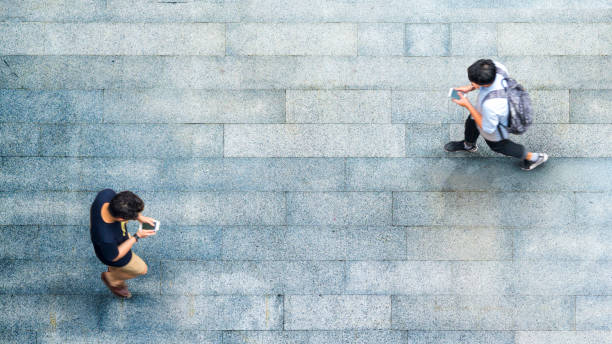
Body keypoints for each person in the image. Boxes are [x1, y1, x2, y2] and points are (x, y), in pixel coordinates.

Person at [445, 59, 548, 171]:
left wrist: (467, 105)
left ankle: (534, 158)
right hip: (484, 112)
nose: (471, 84)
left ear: (484, 84)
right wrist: (471, 87)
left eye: (473, 82)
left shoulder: (492, 105)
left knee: (500, 146)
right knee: (471, 123)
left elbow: (487, 128)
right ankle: (468, 145)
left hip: (494, 128)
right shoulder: (497, 67)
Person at [90, 189, 157, 298]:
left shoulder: (106, 194)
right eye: (133, 216)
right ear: (121, 218)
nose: (137, 216)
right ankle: (112, 278)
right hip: (112, 254)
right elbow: (114, 256)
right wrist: (137, 236)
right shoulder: (106, 237)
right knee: (142, 269)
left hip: (112, 243)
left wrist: (139, 217)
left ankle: (113, 270)